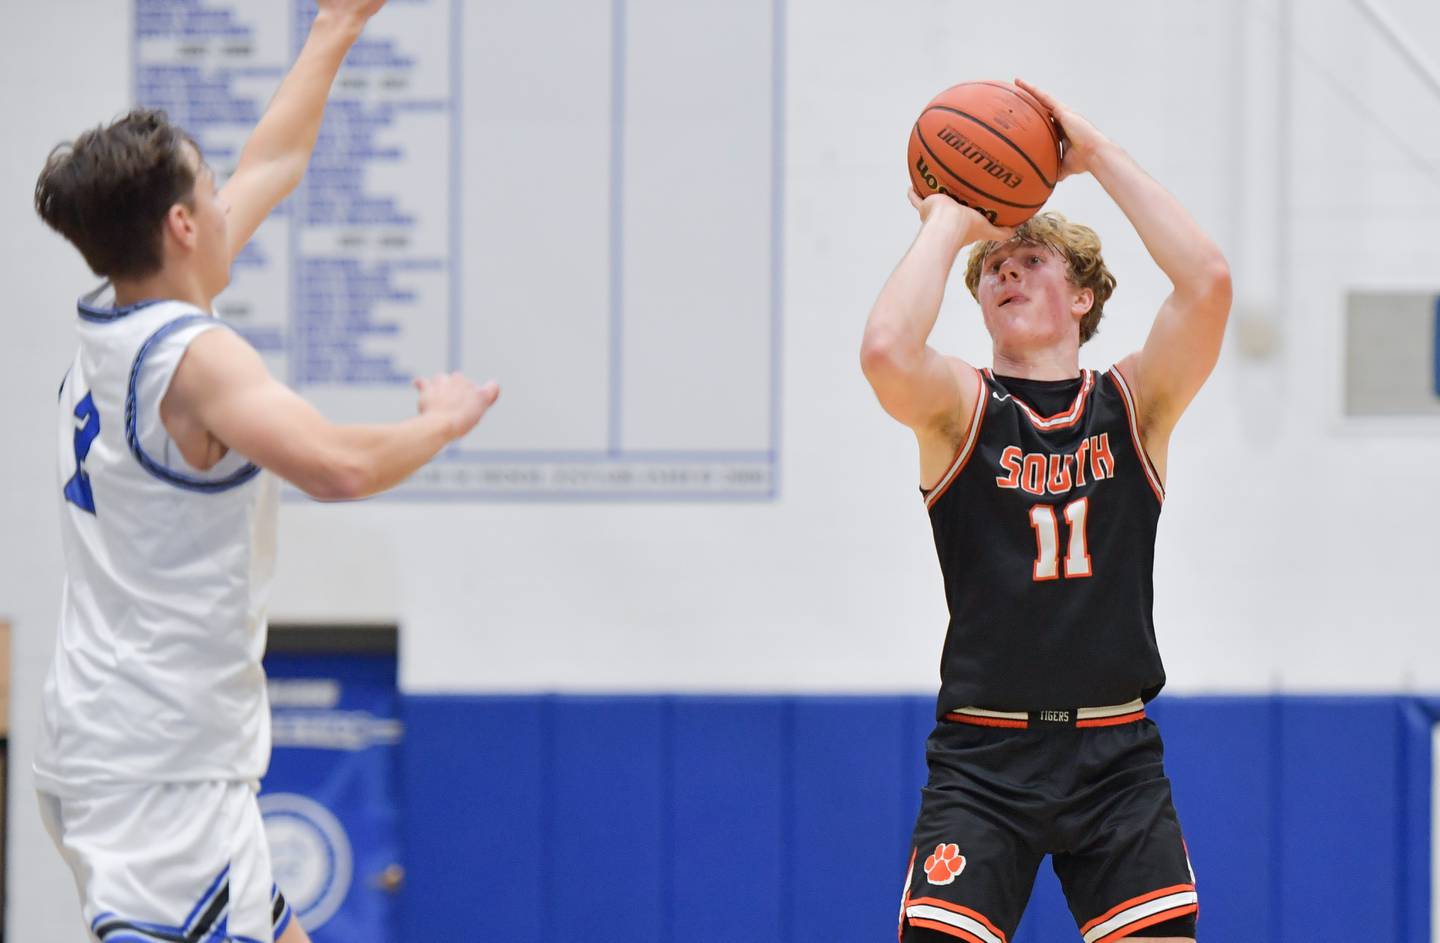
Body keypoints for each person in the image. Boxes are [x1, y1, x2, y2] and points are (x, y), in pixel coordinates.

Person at [32, 2, 498, 940]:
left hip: (125, 743)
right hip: (164, 774)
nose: (227, 195)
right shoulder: (198, 362)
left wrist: (336, 26)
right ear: (181, 225)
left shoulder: (119, 310)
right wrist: (440, 423)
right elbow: (338, 467)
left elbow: (274, 165)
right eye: (210, 188)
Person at [861, 79, 1231, 943]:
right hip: (985, 759)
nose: (1006, 271)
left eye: (1031, 260)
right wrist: (951, 218)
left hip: (1115, 758)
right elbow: (885, 349)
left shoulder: (1135, 404)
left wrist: (1095, 154)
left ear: (1084, 298)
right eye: (995, 267)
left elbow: (1207, 281)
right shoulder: (960, 407)